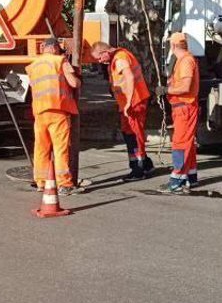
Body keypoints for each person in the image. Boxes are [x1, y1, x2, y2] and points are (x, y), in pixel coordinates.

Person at [25, 36, 81, 195]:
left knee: (41, 148)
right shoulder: (60, 61)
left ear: (44, 48)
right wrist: (78, 79)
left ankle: (41, 182)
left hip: (39, 112)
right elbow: (74, 83)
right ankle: (64, 184)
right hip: (57, 110)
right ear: (56, 48)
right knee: (60, 148)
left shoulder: (33, 66)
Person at [91, 41, 154, 181]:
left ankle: (139, 168)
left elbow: (130, 78)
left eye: (99, 58)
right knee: (129, 133)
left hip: (134, 102)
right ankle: (144, 164)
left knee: (133, 135)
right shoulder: (119, 57)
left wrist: (129, 102)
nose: (100, 61)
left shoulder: (120, 58)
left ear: (105, 52)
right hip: (131, 102)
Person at [162, 32, 200, 194]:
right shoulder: (183, 61)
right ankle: (190, 177)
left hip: (184, 107)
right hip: (183, 107)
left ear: (173, 46)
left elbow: (185, 88)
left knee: (180, 144)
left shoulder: (185, 61)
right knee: (187, 143)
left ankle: (177, 180)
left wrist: (166, 89)